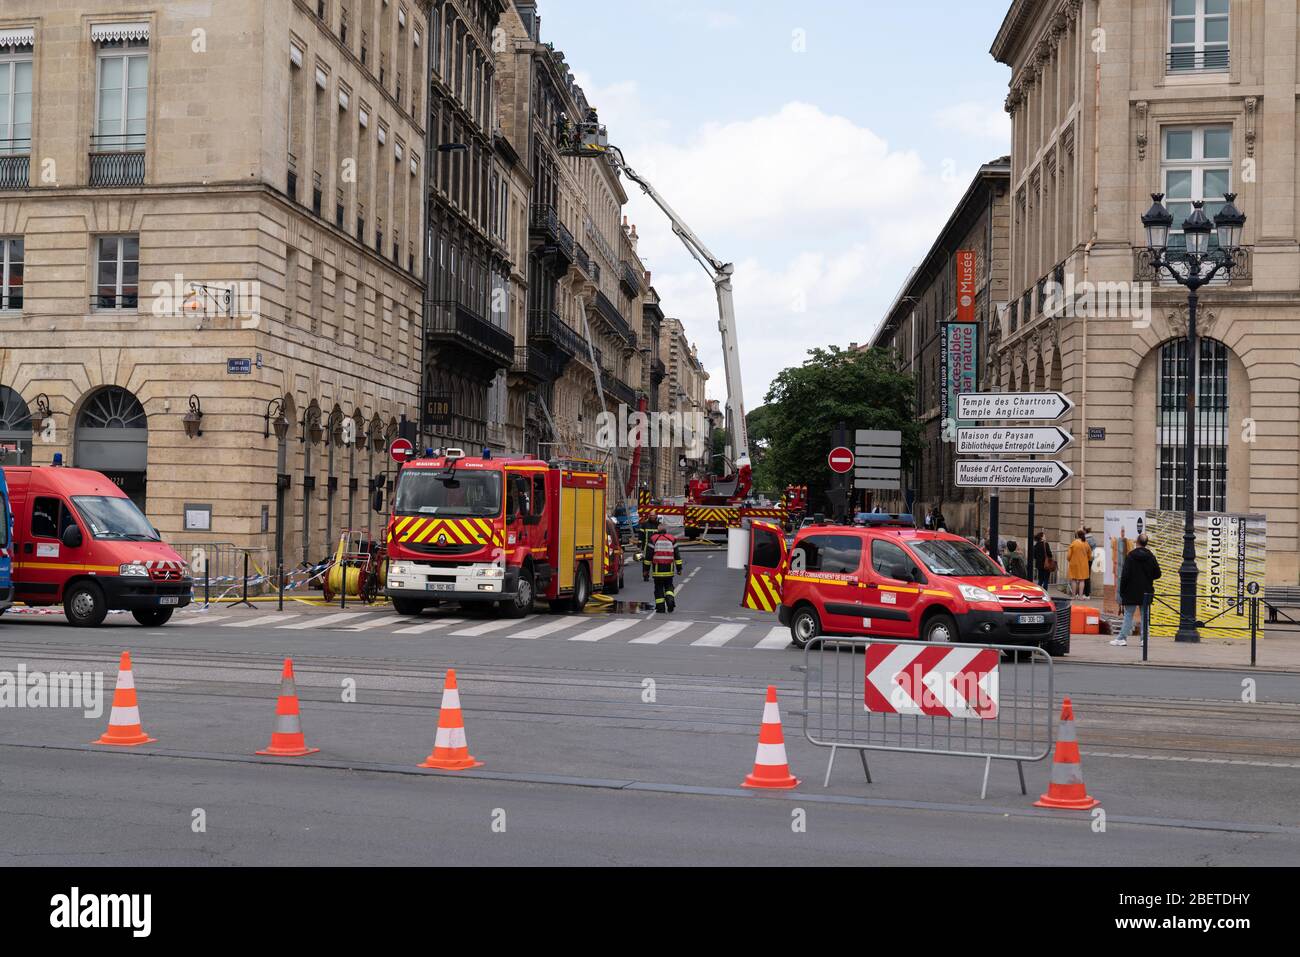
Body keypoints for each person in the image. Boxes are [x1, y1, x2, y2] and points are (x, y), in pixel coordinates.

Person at [1111, 533, 1162, 647]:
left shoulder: (1130, 556)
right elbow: (1158, 574)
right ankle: (1144, 640)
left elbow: (1125, 575)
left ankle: (1122, 638)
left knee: (1128, 614)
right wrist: (1148, 577)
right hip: (1146, 590)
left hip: (1131, 590)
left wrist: (1122, 591)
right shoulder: (1151, 556)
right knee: (1145, 615)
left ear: (1137, 542)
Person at [643, 519, 683, 614]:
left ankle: (660, 608)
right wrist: (679, 568)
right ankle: (669, 598)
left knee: (658, 587)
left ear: (658, 530)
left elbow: (648, 556)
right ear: (666, 530)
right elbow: (677, 555)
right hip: (669, 569)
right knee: (669, 585)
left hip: (657, 569)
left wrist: (645, 570)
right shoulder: (672, 539)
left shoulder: (653, 539)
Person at [1067, 529, 1091, 598]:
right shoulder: (1086, 543)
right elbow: (1090, 555)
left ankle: (1073, 596)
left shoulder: (1073, 543)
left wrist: (1069, 560)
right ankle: (1080, 596)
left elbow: (1068, 556)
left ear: (1077, 535)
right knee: (1082, 580)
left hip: (1074, 564)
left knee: (1074, 579)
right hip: (1083, 564)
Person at [1083, 526, 1098, 597]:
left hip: (1085, 558)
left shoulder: (1085, 540)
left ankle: (1085, 593)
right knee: (1088, 575)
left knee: (1084, 576)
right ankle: (1087, 593)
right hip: (1091, 559)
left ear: (1085, 531)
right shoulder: (1093, 539)